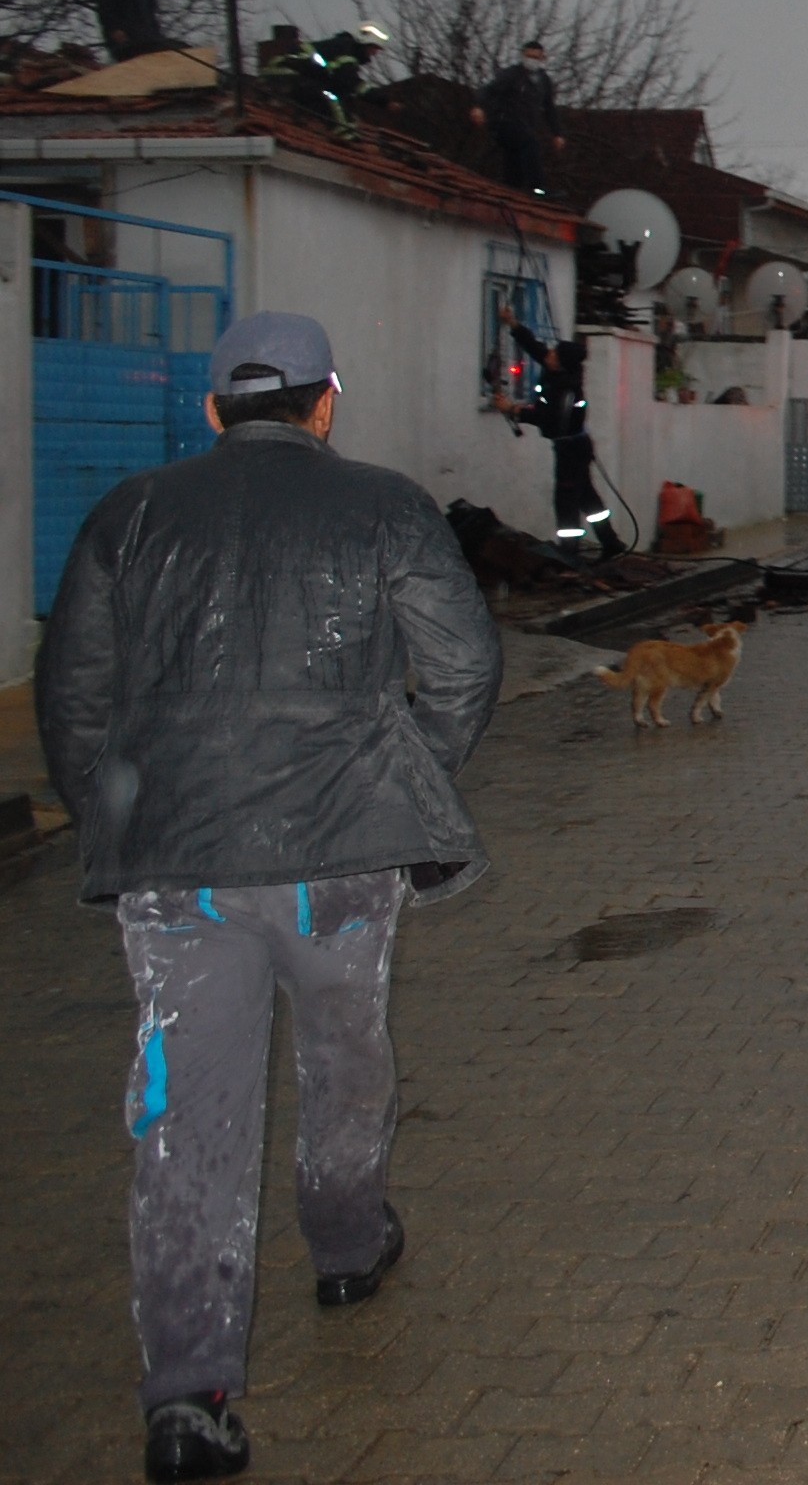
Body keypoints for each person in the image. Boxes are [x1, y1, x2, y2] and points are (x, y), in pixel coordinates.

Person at [38, 311, 503, 1484]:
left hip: (179, 871)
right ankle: (347, 1244)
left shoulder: (127, 516)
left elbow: (75, 698)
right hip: (340, 865)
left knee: (186, 1113)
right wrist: (403, 784)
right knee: (347, 1056)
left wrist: (118, 814)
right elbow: (462, 665)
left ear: (210, 410)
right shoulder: (387, 506)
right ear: (324, 401)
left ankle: (187, 1395)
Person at [497, 312, 620, 560]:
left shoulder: (566, 391)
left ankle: (569, 552)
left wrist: (513, 410)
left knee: (565, 500)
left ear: (562, 363)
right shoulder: (557, 371)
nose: (548, 354)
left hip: (571, 451)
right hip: (575, 447)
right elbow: (534, 347)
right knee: (586, 496)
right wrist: (513, 323)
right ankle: (611, 543)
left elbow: (550, 421)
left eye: (554, 354)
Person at [469, 39, 562, 197]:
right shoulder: (513, 74)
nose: (532, 61)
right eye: (529, 56)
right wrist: (478, 106)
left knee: (515, 160)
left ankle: (511, 190)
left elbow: (549, 108)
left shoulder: (543, 81)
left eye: (536, 57)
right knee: (529, 143)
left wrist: (557, 133)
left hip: (524, 126)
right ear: (523, 56)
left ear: (542, 59)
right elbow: (489, 89)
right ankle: (538, 188)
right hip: (504, 122)